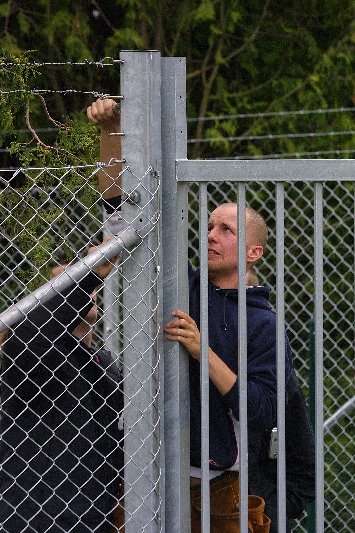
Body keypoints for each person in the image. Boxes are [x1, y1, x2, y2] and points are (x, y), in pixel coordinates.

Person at [86, 98, 315, 533]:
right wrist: (110, 133)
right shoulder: (181, 285)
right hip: (146, 475)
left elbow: (265, 411)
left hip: (222, 491)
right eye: (208, 226)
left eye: (226, 230)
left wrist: (201, 350)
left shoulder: (264, 325)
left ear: (254, 252)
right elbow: (119, 218)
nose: (211, 235)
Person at [0, 239, 123, 532]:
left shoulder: (102, 361)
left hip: (96, 515)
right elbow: (32, 337)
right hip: (39, 519)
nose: (77, 290)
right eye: (63, 287)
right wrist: (88, 277)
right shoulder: (31, 354)